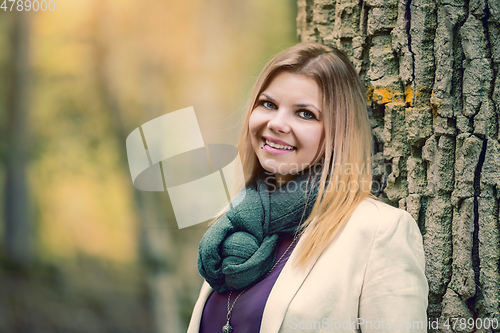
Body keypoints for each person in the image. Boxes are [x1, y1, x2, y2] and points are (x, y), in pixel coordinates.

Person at [188, 42, 428, 333]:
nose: (276, 123)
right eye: (268, 104)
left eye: (305, 114)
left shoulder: (379, 231)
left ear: (338, 133)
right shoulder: (236, 219)